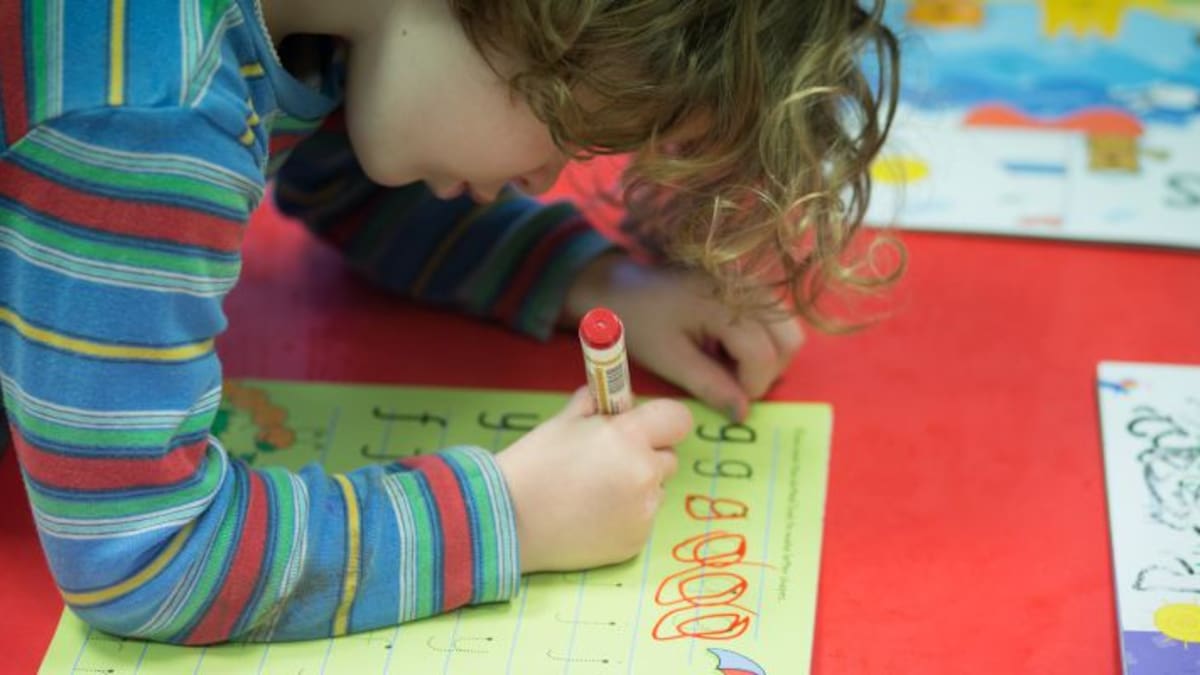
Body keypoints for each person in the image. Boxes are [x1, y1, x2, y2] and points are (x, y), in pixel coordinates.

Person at [0, 0, 899, 643]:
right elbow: (149, 553)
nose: (546, 178)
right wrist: (510, 513)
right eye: (567, 132)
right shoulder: (146, 103)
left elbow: (346, 165)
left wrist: (587, 274)